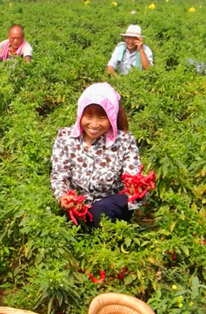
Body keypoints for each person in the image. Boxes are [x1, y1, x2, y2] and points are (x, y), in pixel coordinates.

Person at [50, 83, 146, 228]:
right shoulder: (65, 137)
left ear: (112, 117)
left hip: (112, 202)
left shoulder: (124, 140)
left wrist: (135, 186)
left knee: (102, 211)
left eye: (102, 117)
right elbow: (59, 174)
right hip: (81, 204)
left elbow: (131, 174)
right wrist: (64, 197)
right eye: (88, 116)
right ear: (80, 113)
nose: (94, 124)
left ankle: (110, 232)